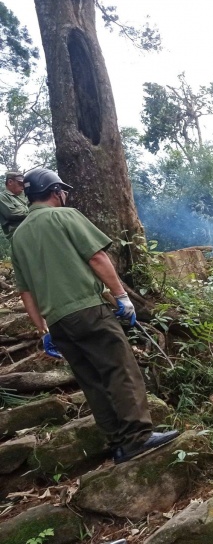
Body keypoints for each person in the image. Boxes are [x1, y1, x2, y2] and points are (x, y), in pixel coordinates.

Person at [11, 167, 178, 464]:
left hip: (59, 322)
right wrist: (121, 296)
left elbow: (26, 292)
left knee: (92, 381)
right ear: (54, 192)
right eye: (62, 191)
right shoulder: (65, 216)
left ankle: (118, 444)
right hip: (88, 309)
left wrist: (43, 329)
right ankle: (137, 437)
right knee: (120, 369)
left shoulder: (19, 236)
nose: (64, 195)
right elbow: (97, 256)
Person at [0, 171, 29, 240]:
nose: (22, 187)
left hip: (27, 232)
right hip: (17, 235)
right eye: (20, 184)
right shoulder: (2, 197)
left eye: (23, 185)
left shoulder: (19, 198)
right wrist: (33, 211)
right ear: (10, 182)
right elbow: (12, 213)